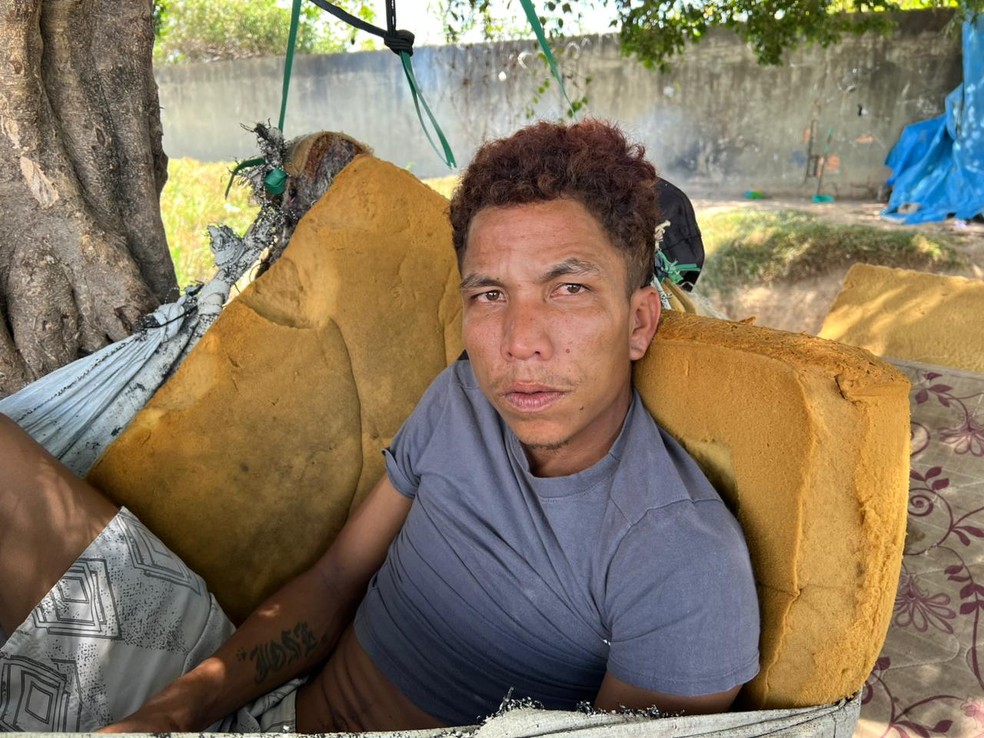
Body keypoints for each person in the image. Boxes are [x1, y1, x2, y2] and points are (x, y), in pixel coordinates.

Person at [0, 119, 760, 734]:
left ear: (638, 321)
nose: (520, 341)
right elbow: (333, 583)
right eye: (489, 294)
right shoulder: (466, 394)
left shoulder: (680, 559)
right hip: (261, 709)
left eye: (568, 288)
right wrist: (171, 714)